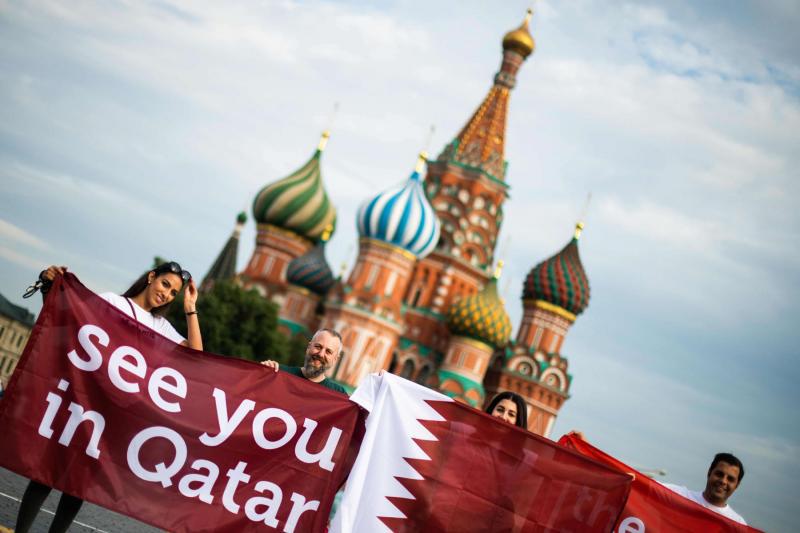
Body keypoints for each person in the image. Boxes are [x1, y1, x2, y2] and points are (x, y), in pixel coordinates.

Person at [15, 261, 202, 533]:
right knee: (47, 473)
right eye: (165, 284)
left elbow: (196, 356)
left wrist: (190, 308)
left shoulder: (160, 326)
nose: (166, 294)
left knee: (77, 486)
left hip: (109, 416)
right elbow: (65, 321)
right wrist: (51, 283)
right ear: (151, 277)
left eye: (173, 292)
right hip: (79, 402)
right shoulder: (111, 302)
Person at [663, 452, 747, 525]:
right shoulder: (677, 495)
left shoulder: (737, 524)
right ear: (709, 472)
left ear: (737, 485)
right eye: (719, 474)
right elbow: (650, 487)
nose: (723, 481)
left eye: (730, 479)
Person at [261, 328, 346, 394]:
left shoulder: (338, 394)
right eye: (318, 346)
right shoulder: (279, 374)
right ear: (309, 347)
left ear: (335, 359)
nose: (321, 354)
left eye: (328, 351)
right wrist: (262, 371)